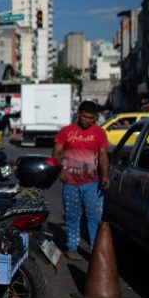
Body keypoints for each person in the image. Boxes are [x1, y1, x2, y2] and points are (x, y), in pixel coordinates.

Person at [51, 100, 110, 261]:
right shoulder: (66, 131)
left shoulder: (99, 132)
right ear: (78, 114)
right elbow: (56, 153)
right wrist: (61, 168)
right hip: (70, 183)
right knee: (72, 216)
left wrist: (105, 175)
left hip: (92, 183)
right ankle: (72, 247)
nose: (88, 120)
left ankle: (95, 250)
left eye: (91, 118)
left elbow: (103, 155)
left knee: (94, 217)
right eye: (85, 117)